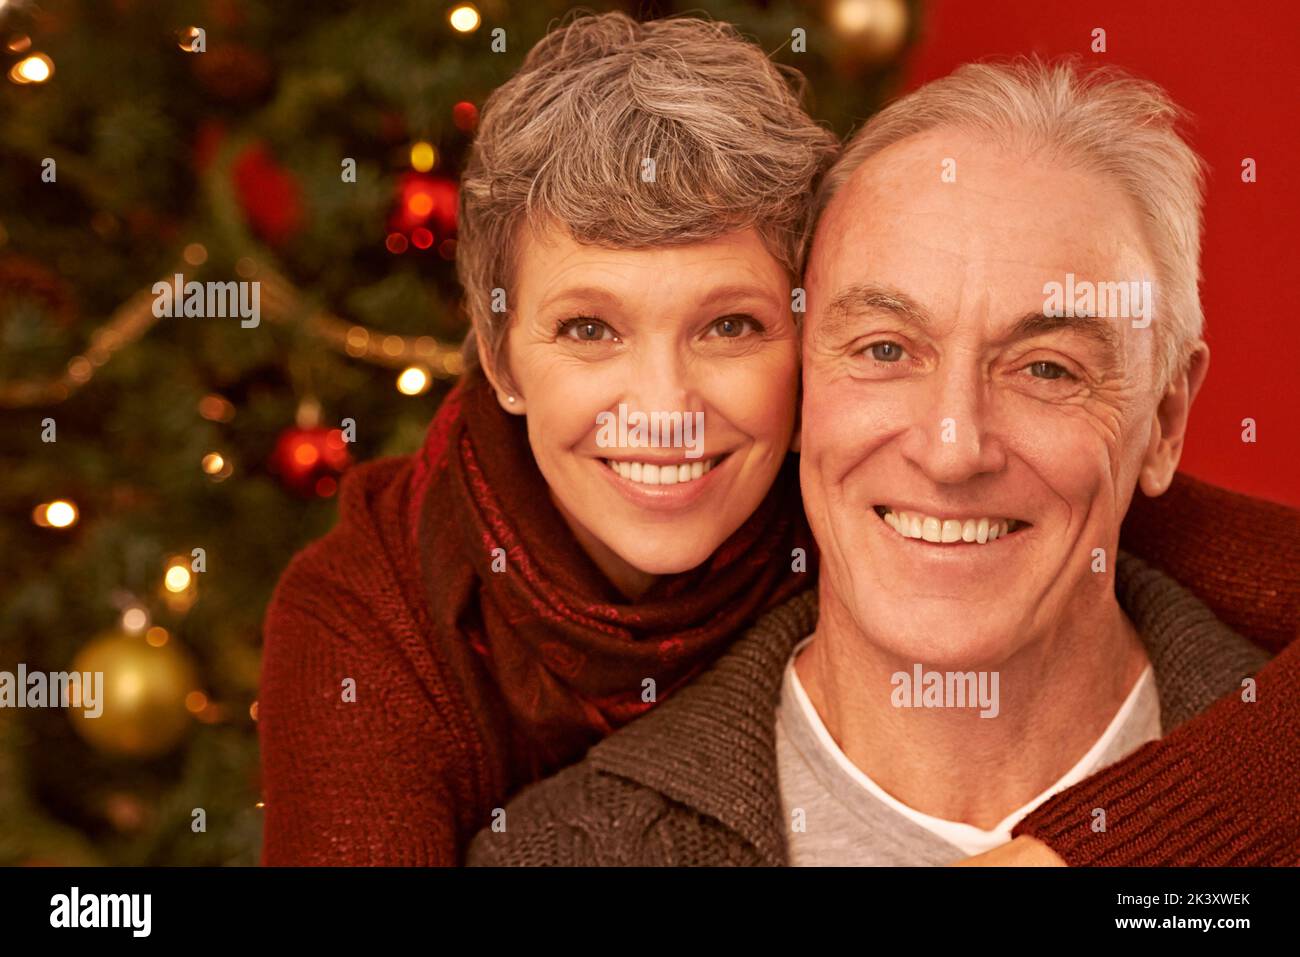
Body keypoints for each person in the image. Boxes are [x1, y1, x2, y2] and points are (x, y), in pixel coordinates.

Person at [467, 59, 1300, 867]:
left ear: (1164, 418)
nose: (952, 448)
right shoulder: (566, 850)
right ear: (797, 390)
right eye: (886, 348)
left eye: (1048, 368)